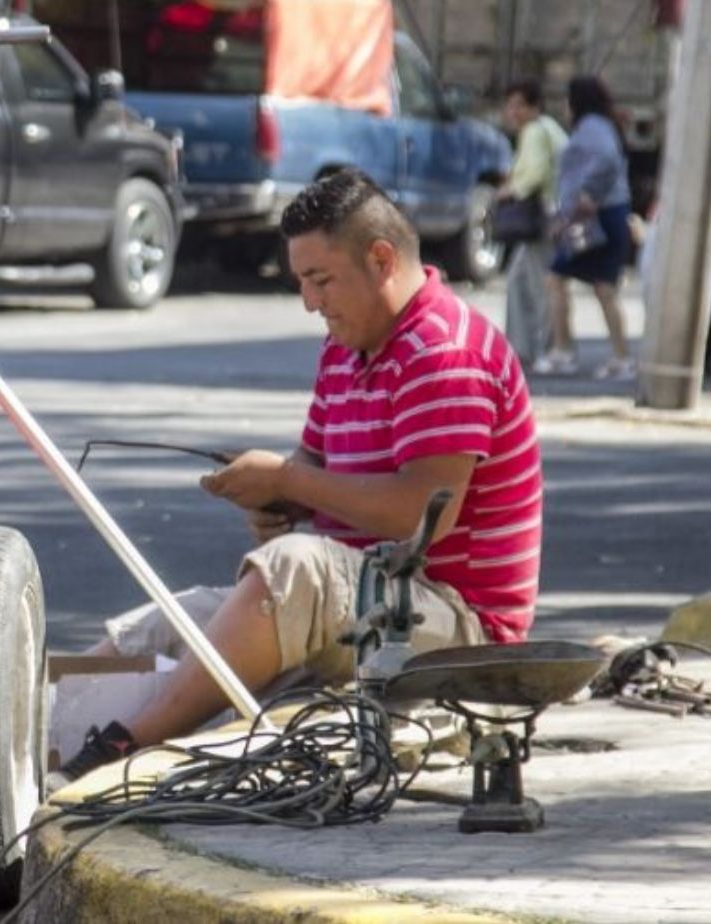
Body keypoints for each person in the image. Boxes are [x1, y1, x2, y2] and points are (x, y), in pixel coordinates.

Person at [51, 170, 543, 789]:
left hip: (458, 624)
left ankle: (118, 756)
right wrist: (276, 497)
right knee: (172, 623)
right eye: (302, 283)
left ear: (382, 260)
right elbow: (312, 468)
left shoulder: (444, 354)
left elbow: (417, 516)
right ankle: (11, 746)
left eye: (321, 280)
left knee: (293, 570)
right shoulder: (345, 346)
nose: (311, 302)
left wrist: (288, 480)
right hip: (360, 596)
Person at [538, 76, 634, 380]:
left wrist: (588, 193)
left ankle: (564, 351)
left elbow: (606, 159)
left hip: (598, 216)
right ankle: (620, 356)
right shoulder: (602, 124)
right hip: (607, 214)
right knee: (603, 287)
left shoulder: (592, 125)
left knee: (558, 279)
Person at [497, 80, 567, 367]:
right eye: (510, 105)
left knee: (538, 285)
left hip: (540, 219)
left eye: (519, 105)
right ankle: (522, 348)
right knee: (518, 280)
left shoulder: (534, 132)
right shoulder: (549, 128)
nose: (513, 112)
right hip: (550, 217)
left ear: (533, 107)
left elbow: (536, 174)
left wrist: (510, 190)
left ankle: (542, 349)